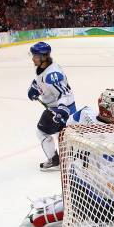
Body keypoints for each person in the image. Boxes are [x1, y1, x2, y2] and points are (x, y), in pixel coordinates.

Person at [24, 89, 114, 227]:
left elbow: (68, 124)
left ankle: (58, 208)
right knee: (111, 211)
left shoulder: (85, 113)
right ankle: (49, 212)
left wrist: (63, 123)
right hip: (85, 184)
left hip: (75, 178)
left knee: (95, 199)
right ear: (106, 110)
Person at [27, 42, 76, 171]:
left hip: (61, 108)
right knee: (64, 134)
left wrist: (62, 110)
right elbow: (41, 81)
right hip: (56, 108)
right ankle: (71, 159)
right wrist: (35, 88)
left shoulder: (52, 75)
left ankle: (55, 160)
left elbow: (65, 94)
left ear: (44, 57)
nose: (33, 58)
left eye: (36, 56)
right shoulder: (44, 69)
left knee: (42, 132)